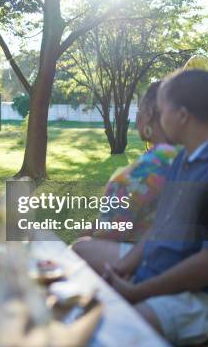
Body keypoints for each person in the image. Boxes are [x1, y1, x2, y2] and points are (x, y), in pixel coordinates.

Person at [103, 69, 208, 346]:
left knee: (122, 328)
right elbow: (161, 227)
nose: (159, 119)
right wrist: (121, 269)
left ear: (182, 115)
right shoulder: (186, 157)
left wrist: (139, 292)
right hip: (166, 277)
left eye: (161, 111)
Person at [72, 82, 177, 275]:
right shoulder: (196, 156)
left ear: (149, 115)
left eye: (140, 110)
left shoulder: (137, 175)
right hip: (187, 255)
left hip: (159, 264)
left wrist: (85, 234)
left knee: (80, 248)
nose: (136, 117)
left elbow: (108, 233)